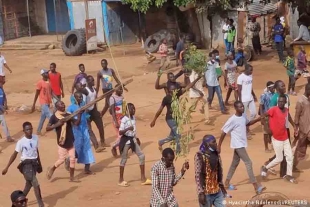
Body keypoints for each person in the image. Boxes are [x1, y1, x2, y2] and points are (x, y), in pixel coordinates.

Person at [218, 101, 266, 194]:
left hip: (241, 144)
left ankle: (227, 183)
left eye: (242, 107)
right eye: (240, 107)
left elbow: (247, 123)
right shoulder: (232, 119)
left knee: (234, 163)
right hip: (238, 144)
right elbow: (224, 132)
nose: (242, 108)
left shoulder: (243, 116)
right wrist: (219, 145)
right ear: (235, 108)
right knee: (248, 162)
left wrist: (259, 119)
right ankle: (256, 186)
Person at [150, 76, 202, 154]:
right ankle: (178, 151)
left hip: (177, 118)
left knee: (172, 136)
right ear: (169, 90)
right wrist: (154, 120)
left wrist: (197, 78)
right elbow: (160, 110)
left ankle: (161, 142)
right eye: (173, 89)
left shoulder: (177, 95)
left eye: (175, 89)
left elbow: (189, 86)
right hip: (170, 119)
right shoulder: (166, 98)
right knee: (178, 135)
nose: (175, 90)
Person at [2, 122, 44, 207]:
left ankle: (18, 200)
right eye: (27, 129)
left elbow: (36, 151)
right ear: (24, 131)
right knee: (35, 183)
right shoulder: (21, 142)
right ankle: (41, 204)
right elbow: (14, 154)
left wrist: (39, 164)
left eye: (31, 129)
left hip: (34, 164)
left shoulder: (36, 138)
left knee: (29, 184)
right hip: (25, 165)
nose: (29, 131)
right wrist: (7, 167)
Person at [261, 95, 297, 184]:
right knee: (279, 158)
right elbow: (263, 116)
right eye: (279, 101)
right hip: (276, 138)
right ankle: (265, 168)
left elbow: (289, 117)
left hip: (285, 138)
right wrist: (267, 128)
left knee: (290, 157)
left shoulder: (286, 110)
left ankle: (289, 175)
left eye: (282, 102)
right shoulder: (273, 109)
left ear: (285, 103)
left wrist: (294, 126)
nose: (280, 103)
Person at [118, 103, 151, 187]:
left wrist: (136, 138)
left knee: (141, 156)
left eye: (134, 109)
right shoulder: (124, 119)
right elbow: (120, 132)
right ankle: (120, 180)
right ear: (128, 110)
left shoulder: (133, 118)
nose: (134, 110)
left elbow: (134, 131)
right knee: (124, 159)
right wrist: (128, 128)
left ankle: (143, 178)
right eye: (132, 109)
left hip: (132, 139)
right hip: (126, 141)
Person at [264, 80, 291, 178]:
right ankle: (269, 165)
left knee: (285, 152)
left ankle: (283, 172)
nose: (284, 87)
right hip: (277, 130)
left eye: (284, 85)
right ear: (277, 88)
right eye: (282, 86)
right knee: (282, 153)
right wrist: (269, 131)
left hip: (285, 127)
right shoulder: (274, 99)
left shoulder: (286, 97)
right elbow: (269, 115)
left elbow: (287, 112)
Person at [45, 101, 77, 182]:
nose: (63, 105)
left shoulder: (68, 115)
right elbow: (47, 128)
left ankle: (71, 177)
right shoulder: (54, 117)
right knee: (61, 160)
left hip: (70, 140)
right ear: (57, 107)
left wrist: (79, 114)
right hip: (62, 142)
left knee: (72, 159)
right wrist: (58, 124)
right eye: (61, 104)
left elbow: (76, 123)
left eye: (63, 103)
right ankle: (52, 168)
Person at [194, 135, 227, 207]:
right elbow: (198, 174)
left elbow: (219, 171)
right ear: (207, 144)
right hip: (206, 193)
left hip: (217, 191)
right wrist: (201, 192)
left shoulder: (216, 154)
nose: (216, 143)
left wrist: (222, 186)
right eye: (214, 142)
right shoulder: (200, 156)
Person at [67, 92, 95, 174]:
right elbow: (70, 120)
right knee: (77, 148)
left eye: (81, 97)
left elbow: (85, 116)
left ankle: (87, 168)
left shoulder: (83, 106)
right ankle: (69, 160)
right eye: (78, 97)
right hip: (76, 130)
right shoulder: (70, 108)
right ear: (75, 98)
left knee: (87, 147)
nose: (81, 99)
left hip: (84, 129)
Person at [85, 75, 107, 151]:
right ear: (87, 82)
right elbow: (83, 102)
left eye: (93, 80)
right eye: (91, 80)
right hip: (87, 112)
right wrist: (85, 113)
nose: (93, 81)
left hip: (93, 110)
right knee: (89, 129)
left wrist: (96, 111)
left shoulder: (94, 89)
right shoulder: (85, 90)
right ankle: (96, 146)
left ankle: (103, 141)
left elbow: (95, 100)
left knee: (100, 125)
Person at [293, 84, 310, 172]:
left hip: (309, 129)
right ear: (307, 90)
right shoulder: (301, 101)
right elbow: (297, 116)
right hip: (303, 129)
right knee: (299, 148)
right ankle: (292, 166)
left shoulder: (308, 99)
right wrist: (296, 128)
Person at [31, 69, 53, 135]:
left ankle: (38, 130)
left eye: (47, 73)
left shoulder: (49, 82)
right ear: (42, 74)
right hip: (43, 102)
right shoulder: (40, 82)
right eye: (46, 73)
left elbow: (51, 92)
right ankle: (57, 130)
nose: (47, 74)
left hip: (48, 102)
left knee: (43, 117)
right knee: (51, 116)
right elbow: (37, 93)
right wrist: (34, 104)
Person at [109, 85, 126, 157]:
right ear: (116, 90)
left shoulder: (122, 97)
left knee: (123, 134)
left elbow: (124, 108)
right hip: (116, 117)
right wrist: (115, 121)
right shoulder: (112, 98)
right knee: (120, 135)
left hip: (123, 117)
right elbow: (112, 111)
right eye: (120, 89)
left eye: (122, 89)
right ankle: (115, 147)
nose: (121, 91)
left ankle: (120, 149)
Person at [259, 81, 275, 153]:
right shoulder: (264, 95)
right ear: (268, 88)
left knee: (273, 131)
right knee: (265, 132)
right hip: (266, 116)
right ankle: (266, 148)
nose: (274, 89)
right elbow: (261, 105)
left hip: (273, 116)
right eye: (272, 87)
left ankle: (272, 142)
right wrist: (262, 116)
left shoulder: (275, 95)